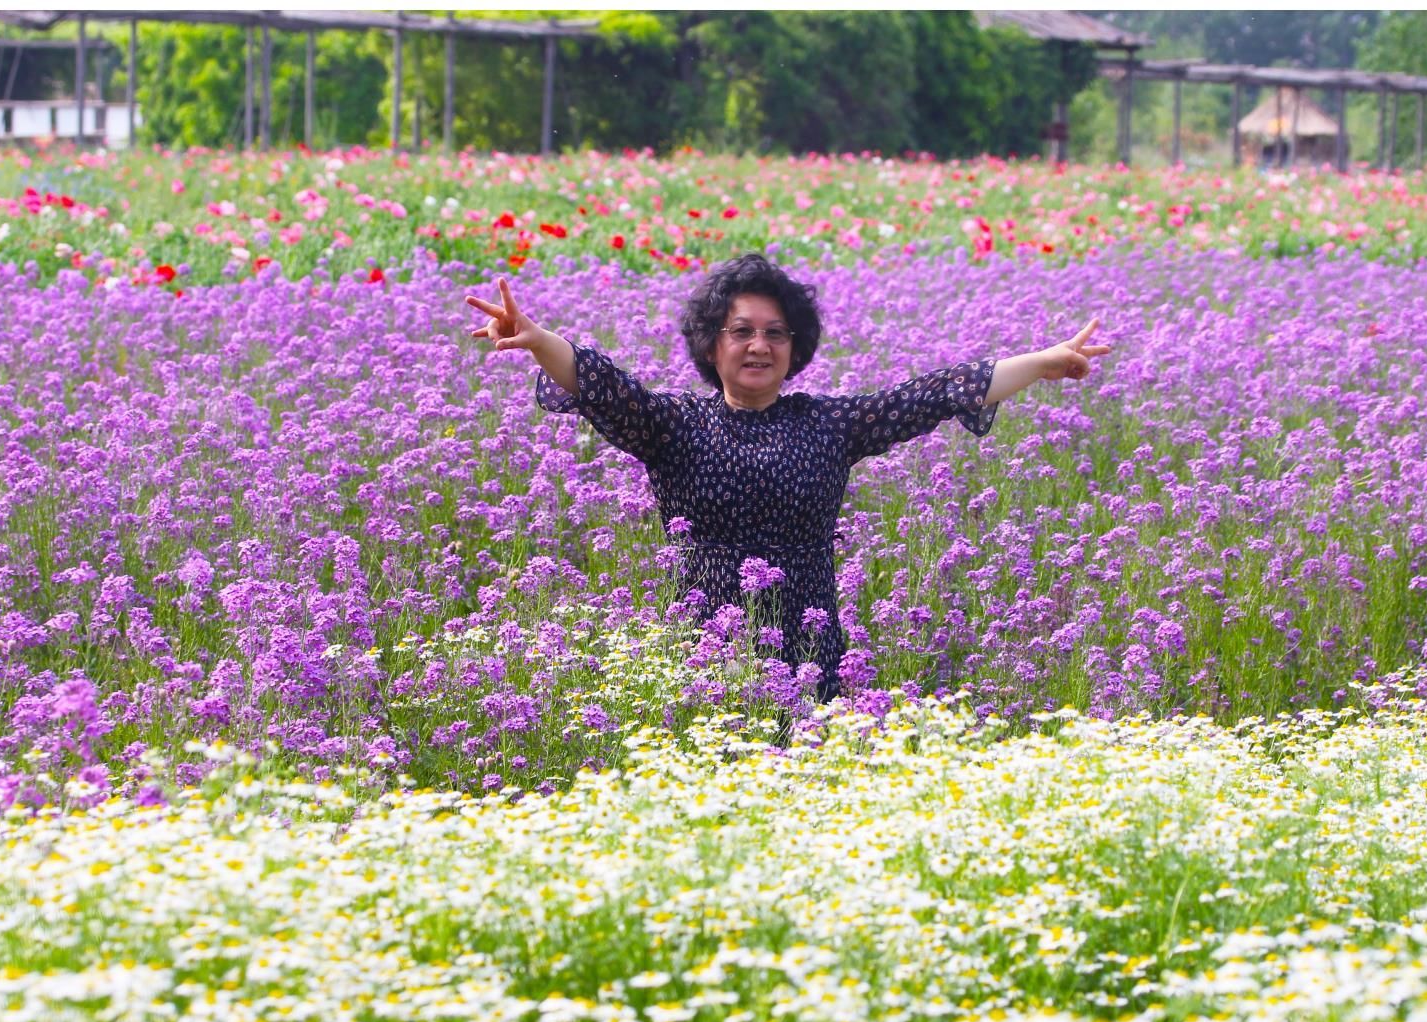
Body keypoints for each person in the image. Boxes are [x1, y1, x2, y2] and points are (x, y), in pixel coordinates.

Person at [467, 253, 1110, 708]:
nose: (758, 346)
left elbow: (936, 393)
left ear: (794, 349)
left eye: (776, 334)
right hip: (708, 654)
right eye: (741, 331)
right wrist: (534, 337)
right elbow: (600, 383)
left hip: (812, 655)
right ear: (710, 345)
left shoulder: (830, 424)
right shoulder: (672, 425)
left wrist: (1045, 362)